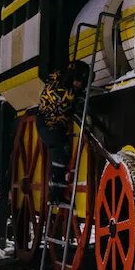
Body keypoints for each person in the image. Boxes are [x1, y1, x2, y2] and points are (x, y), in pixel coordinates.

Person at [36, 60, 92, 196]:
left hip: (53, 124)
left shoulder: (57, 80)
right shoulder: (62, 92)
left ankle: (56, 189)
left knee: (62, 152)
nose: (79, 84)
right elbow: (69, 100)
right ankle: (55, 192)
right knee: (60, 152)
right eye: (78, 81)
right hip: (49, 124)